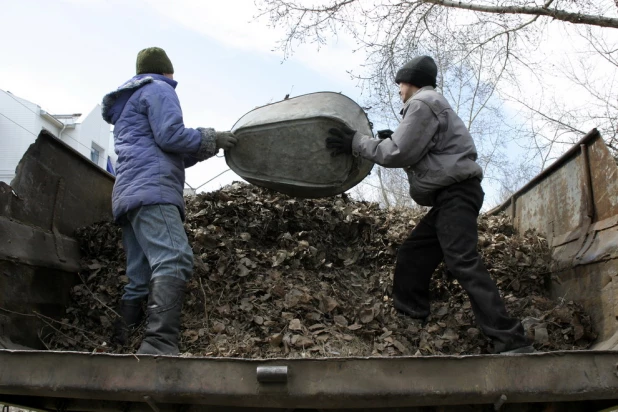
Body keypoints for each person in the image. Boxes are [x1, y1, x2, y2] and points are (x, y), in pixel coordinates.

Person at [325, 56, 533, 354]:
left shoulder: (422, 103)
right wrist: (389, 138)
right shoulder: (430, 103)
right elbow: (417, 149)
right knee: (414, 252)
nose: (398, 88)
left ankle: (511, 340)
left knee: (462, 260)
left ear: (411, 81)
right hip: (452, 197)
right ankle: (411, 316)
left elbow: (398, 153)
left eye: (400, 82)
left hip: (456, 195)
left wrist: (356, 142)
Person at [101, 47, 237, 355]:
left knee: (140, 275)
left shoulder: (128, 104)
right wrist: (211, 137)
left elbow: (163, 150)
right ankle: (158, 345)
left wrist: (208, 147)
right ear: (167, 70)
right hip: (154, 192)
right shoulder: (159, 88)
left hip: (129, 194)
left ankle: (119, 343)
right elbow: (171, 137)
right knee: (174, 258)